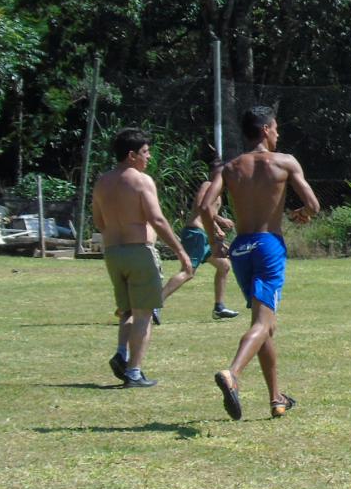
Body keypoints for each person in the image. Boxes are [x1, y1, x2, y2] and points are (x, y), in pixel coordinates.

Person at [203, 106, 320, 419]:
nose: (278, 134)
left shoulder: (230, 167)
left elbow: (205, 206)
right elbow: (313, 204)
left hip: (241, 248)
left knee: (265, 323)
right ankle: (232, 374)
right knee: (263, 323)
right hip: (268, 245)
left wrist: (215, 240)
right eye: (276, 128)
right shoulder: (284, 162)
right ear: (266, 129)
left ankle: (275, 398)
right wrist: (303, 214)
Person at [91, 127, 193, 387]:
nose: (149, 157)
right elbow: (156, 219)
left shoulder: (102, 182)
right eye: (145, 152)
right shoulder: (141, 180)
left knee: (126, 309)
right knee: (144, 313)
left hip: (113, 253)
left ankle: (121, 354)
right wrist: (180, 251)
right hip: (139, 252)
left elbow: (99, 221)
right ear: (131, 155)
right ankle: (134, 372)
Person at [156, 166, 242, 321]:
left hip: (204, 236)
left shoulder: (219, 194)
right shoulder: (207, 185)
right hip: (195, 233)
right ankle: (155, 304)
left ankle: (219, 307)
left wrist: (217, 229)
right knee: (188, 272)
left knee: (224, 266)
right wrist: (220, 223)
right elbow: (202, 207)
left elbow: (209, 214)